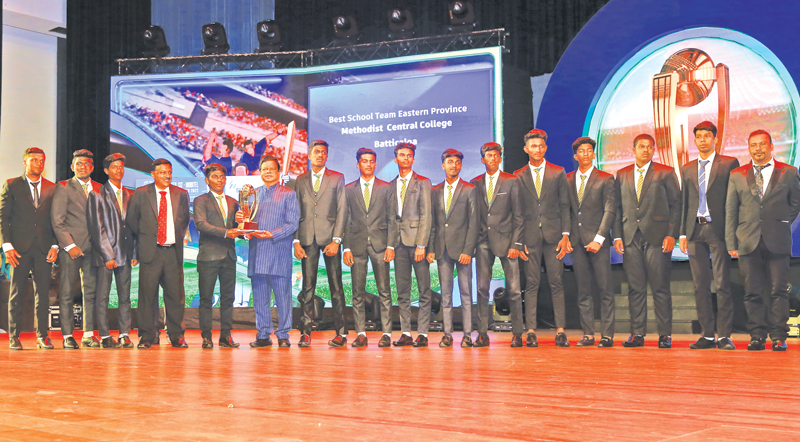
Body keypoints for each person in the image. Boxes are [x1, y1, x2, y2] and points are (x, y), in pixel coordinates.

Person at [726, 129, 800, 351]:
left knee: (778, 291)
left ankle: (779, 337)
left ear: (771, 146)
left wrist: (779, 222)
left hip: (777, 239)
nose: (758, 149)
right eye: (753, 145)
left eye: (762, 144)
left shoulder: (789, 172)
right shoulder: (737, 174)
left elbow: (795, 203)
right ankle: (756, 336)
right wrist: (731, 242)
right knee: (752, 292)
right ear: (749, 148)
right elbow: (731, 210)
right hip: (747, 241)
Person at [613, 134, 681, 349]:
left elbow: (676, 205)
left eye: (649, 147)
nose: (645, 150)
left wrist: (672, 234)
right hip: (630, 237)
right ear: (633, 149)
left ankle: (665, 335)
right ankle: (637, 334)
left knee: (660, 287)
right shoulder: (622, 174)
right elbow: (616, 208)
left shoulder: (665, 172)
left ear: (654, 150)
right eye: (641, 147)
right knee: (635, 288)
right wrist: (617, 235)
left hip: (658, 237)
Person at [679, 122, 740, 350]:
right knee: (700, 285)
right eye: (699, 136)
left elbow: (734, 199)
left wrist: (733, 232)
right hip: (695, 230)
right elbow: (684, 203)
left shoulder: (729, 163)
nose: (703, 139)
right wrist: (682, 233)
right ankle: (707, 335)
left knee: (722, 283)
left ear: (715, 139)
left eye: (707, 136)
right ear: (694, 140)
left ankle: (724, 335)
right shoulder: (686, 169)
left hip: (720, 230)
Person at [513, 129, 572, 348]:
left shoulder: (558, 173)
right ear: (526, 149)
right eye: (533, 146)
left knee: (556, 282)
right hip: (529, 238)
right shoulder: (518, 175)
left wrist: (565, 235)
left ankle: (560, 331)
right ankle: (530, 331)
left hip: (554, 236)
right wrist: (518, 242)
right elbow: (516, 211)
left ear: (545, 148)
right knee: (532, 284)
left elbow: (565, 206)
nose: (537, 149)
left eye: (541, 146)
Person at [127, 158, 191, 349]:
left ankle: (176, 336)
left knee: (175, 297)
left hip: (172, 252)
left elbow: (184, 220)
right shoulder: (140, 194)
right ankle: (148, 336)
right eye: (162, 172)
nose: (167, 176)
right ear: (153, 174)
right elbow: (132, 223)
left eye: (169, 172)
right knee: (147, 297)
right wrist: (135, 252)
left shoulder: (181, 194)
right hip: (150, 252)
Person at [0, 147, 59, 350]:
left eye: (42, 160)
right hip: (18, 249)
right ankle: (14, 336)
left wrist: (54, 245)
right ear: (25, 162)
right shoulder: (12, 184)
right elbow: (3, 218)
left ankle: (42, 336)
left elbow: (55, 220)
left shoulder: (52, 187)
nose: (39, 164)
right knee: (16, 292)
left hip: (43, 248)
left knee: (43, 293)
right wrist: (7, 246)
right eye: (34, 160)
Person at [240, 156, 299, 348]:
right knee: (260, 299)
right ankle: (263, 334)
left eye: (271, 169)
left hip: (278, 252)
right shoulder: (252, 195)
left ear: (278, 171)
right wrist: (244, 230)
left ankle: (283, 335)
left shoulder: (288, 194)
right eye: (264, 169)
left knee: (283, 298)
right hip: (257, 254)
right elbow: (246, 224)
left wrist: (271, 234)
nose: (267, 172)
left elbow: (292, 224)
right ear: (260, 171)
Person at [292, 140, 348, 347]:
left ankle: (341, 333)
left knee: (336, 287)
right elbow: (295, 211)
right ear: (309, 156)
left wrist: (336, 240)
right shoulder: (300, 179)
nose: (320, 155)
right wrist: (296, 241)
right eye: (316, 152)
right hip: (307, 239)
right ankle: (305, 332)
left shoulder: (337, 178)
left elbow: (342, 209)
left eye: (324, 152)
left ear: (327, 156)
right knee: (308, 287)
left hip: (330, 240)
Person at [470, 142, 525, 347]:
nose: (492, 158)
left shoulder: (511, 181)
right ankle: (482, 333)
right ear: (483, 159)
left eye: (496, 155)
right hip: (483, 241)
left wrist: (516, 244)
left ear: (500, 158)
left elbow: (519, 216)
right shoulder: (474, 183)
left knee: (514, 290)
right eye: (488, 156)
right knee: (482, 288)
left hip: (508, 241)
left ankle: (517, 333)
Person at [343, 148, 398, 348]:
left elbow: (393, 219)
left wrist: (391, 245)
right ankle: (360, 333)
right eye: (364, 161)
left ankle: (386, 334)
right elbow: (345, 220)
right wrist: (346, 248)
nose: (368, 164)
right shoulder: (348, 189)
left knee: (384, 291)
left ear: (375, 164)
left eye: (371, 161)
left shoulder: (386, 188)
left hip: (380, 245)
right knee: (357, 292)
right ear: (358, 164)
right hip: (356, 246)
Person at [566, 137, 616, 347]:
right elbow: (565, 211)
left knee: (605, 290)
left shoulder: (606, 178)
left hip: (598, 243)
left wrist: (599, 238)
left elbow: (610, 210)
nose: (585, 154)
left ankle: (607, 335)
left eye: (589, 151)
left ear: (593, 154)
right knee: (583, 290)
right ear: (575, 156)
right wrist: (565, 236)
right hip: (576, 243)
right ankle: (588, 333)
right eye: (581, 151)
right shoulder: (567, 179)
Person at [426, 149, 479, 347]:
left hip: (463, 251)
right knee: (445, 295)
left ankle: (467, 334)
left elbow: (474, 223)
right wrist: (431, 249)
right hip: (442, 250)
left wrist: (468, 250)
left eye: (457, 162)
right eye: (450, 162)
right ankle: (447, 334)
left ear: (461, 165)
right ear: (443, 165)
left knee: (466, 294)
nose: (453, 165)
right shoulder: (434, 191)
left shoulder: (469, 189)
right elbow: (433, 224)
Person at [86, 153, 138, 349]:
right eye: (115, 167)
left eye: (122, 167)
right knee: (103, 296)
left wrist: (134, 254)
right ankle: (106, 336)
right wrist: (108, 255)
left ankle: (124, 334)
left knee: (125, 296)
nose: (119, 170)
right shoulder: (97, 193)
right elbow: (96, 228)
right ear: (106, 171)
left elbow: (133, 228)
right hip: (104, 256)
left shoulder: (130, 194)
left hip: (125, 255)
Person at [51, 150, 102, 349]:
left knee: (90, 292)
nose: (83, 167)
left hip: (94, 250)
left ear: (92, 167)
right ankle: (67, 336)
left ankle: (88, 334)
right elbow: (57, 221)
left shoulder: (100, 188)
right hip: (71, 249)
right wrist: (70, 246)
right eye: (79, 164)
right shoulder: (63, 187)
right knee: (67, 292)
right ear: (72, 167)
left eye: (87, 164)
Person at [193, 164, 242, 349]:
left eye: (222, 176)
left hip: (229, 256)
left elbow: (238, 227)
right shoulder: (200, 201)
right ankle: (206, 337)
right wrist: (226, 232)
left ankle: (226, 336)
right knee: (206, 299)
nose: (219, 179)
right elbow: (200, 224)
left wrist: (243, 226)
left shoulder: (233, 202)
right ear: (207, 180)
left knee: (228, 298)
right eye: (215, 176)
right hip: (209, 256)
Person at [390, 142, 433, 347]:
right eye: (401, 155)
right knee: (402, 290)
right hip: (398, 244)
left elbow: (426, 215)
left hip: (417, 244)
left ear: (413, 159)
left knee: (424, 290)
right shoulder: (390, 185)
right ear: (396, 158)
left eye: (409, 155)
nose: (405, 158)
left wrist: (422, 244)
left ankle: (423, 333)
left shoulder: (423, 182)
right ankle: (406, 332)